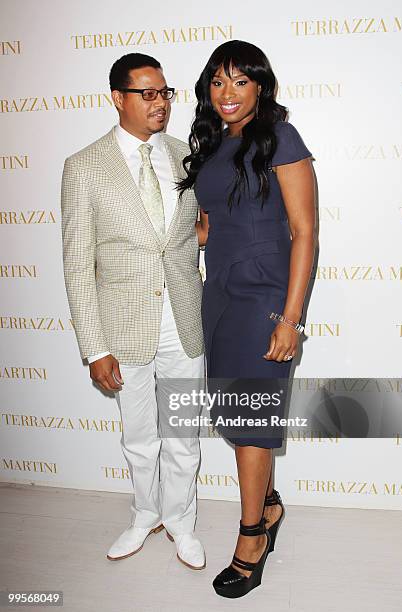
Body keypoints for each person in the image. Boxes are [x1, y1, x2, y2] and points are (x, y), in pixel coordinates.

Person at [178, 40, 316, 597]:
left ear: (261, 85)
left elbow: (304, 231)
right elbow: (213, 226)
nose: (226, 93)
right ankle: (272, 506)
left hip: (264, 298)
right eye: (217, 81)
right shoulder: (213, 144)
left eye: (238, 81)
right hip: (220, 297)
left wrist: (291, 318)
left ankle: (252, 534)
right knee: (239, 415)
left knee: (249, 421)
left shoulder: (281, 138)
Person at [61, 53, 205, 570]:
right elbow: (77, 265)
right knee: (140, 437)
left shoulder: (187, 155)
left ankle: (182, 521)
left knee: (183, 436)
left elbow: (189, 234)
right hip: (124, 329)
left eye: (165, 93)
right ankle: (145, 514)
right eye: (147, 93)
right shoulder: (82, 167)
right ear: (117, 98)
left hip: (185, 323)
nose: (160, 103)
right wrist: (94, 348)